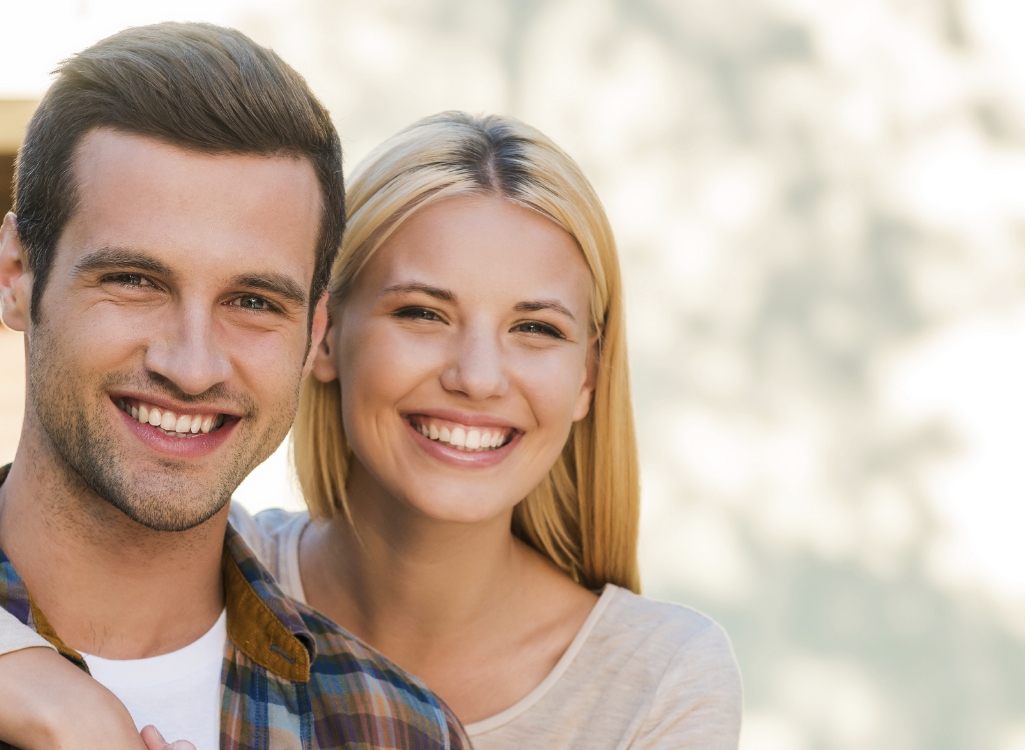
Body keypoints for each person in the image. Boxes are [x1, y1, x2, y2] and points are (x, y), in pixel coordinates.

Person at [0, 111, 743, 747]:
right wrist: (34, 680)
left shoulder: (659, 677)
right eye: (422, 314)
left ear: (588, 375)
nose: (477, 377)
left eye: (536, 328)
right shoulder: (220, 564)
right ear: (323, 336)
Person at [0, 23, 467, 750]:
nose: (191, 366)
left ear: (315, 332)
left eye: (253, 301)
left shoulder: (398, 731)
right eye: (133, 280)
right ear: (16, 277)